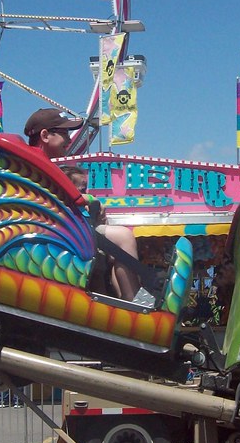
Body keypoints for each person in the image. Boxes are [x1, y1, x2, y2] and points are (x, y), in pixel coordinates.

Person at [25, 109, 148, 304]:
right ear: (45, 135)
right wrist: (89, 200)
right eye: (64, 132)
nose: (69, 138)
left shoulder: (40, 163)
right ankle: (137, 302)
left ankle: (128, 301)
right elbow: (57, 198)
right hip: (53, 232)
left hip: (57, 229)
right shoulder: (36, 164)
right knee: (123, 236)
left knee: (110, 252)